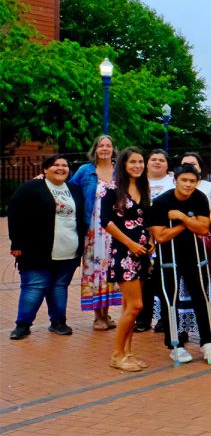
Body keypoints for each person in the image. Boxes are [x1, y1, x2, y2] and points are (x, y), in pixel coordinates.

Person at [8, 154, 88, 340]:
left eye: (64, 165)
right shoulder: (31, 187)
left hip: (68, 250)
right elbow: (14, 212)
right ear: (45, 169)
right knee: (34, 287)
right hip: (37, 251)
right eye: (55, 165)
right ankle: (23, 325)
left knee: (59, 286)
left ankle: (58, 322)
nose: (61, 168)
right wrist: (16, 242)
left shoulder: (74, 189)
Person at [148, 164, 211, 365]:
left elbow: (204, 229)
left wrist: (181, 217)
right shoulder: (161, 202)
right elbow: (161, 236)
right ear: (175, 181)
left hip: (194, 255)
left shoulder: (200, 198)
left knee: (201, 295)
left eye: (192, 181)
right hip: (169, 257)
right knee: (170, 297)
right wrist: (187, 223)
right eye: (184, 180)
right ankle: (174, 344)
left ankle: (207, 340)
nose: (188, 185)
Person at [100, 147, 151, 371]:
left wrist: (150, 242)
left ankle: (128, 352)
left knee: (128, 307)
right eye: (133, 162)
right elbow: (106, 221)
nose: (138, 165)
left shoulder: (143, 187)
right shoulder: (111, 189)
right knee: (136, 306)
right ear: (123, 164)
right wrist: (129, 243)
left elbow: (146, 221)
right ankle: (116, 355)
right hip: (123, 254)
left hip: (142, 253)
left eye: (141, 162)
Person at [171, 152, 211, 346]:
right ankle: (180, 330)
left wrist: (188, 221)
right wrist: (191, 222)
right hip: (177, 245)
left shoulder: (210, 189)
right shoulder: (172, 192)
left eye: (193, 164)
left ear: (200, 168)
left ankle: (207, 332)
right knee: (180, 290)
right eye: (185, 164)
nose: (189, 168)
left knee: (201, 290)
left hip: (203, 245)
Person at [70, 135, 120, 330]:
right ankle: (97, 316)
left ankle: (106, 314)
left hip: (114, 229)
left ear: (114, 149)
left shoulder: (119, 172)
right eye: (101, 145)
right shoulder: (86, 171)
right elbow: (70, 190)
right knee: (94, 270)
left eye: (108, 145)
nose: (105, 148)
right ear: (95, 149)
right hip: (92, 229)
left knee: (109, 270)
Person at [137, 149, 173, 333]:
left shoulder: (172, 182)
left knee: (163, 281)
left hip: (166, 237)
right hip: (142, 238)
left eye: (161, 160)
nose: (157, 162)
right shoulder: (138, 182)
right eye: (153, 159)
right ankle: (143, 319)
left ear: (167, 165)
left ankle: (164, 319)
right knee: (144, 281)